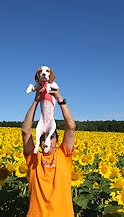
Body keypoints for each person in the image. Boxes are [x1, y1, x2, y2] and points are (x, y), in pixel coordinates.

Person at [21, 82, 76, 217]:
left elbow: (71, 127)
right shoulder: (34, 158)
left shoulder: (64, 154)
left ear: (57, 140)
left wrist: (59, 99)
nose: (47, 140)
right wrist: (36, 100)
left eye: (51, 137)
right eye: (44, 137)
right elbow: (25, 131)